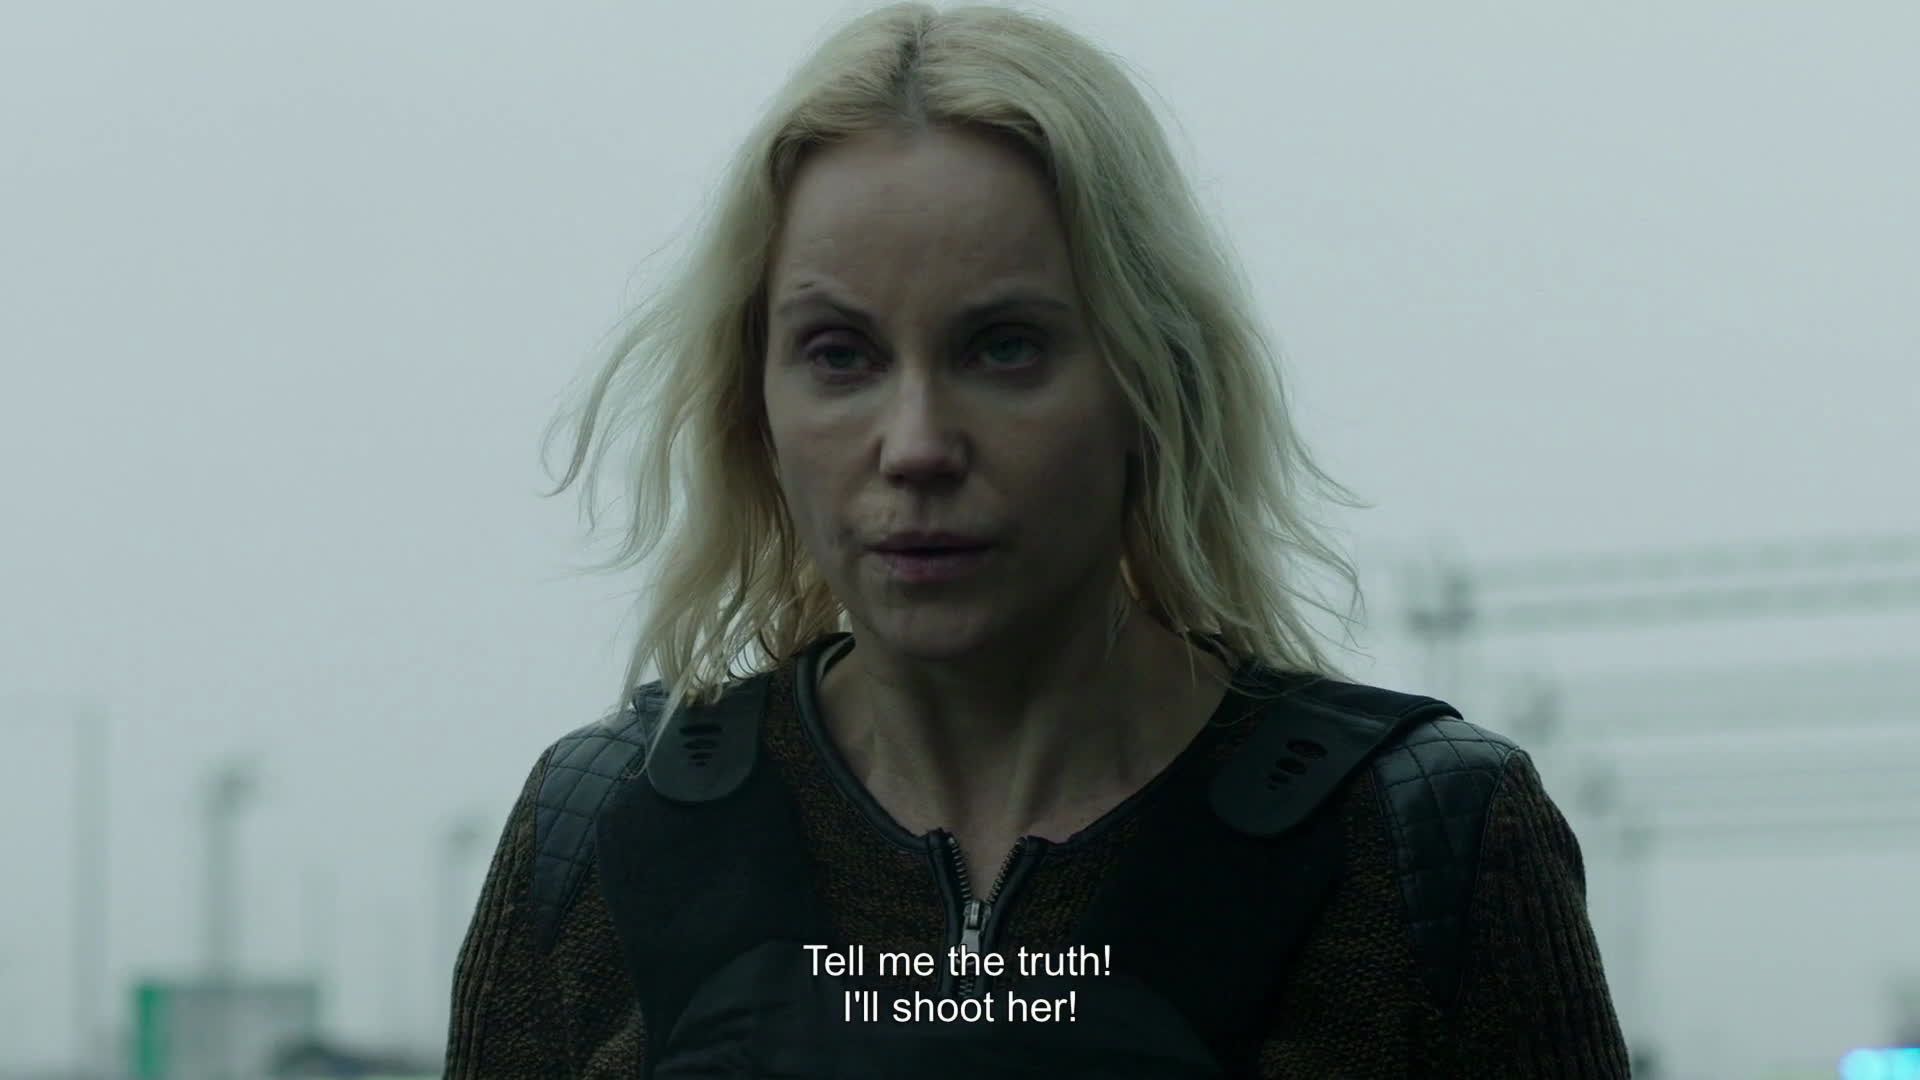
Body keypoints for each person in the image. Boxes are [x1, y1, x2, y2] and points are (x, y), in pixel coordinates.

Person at [444, 4, 1629, 1077]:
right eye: (840, 355)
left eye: (1004, 347)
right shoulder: (607, 831)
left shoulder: (1421, 841)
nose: (916, 445)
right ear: (751, 399)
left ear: (1152, 379)